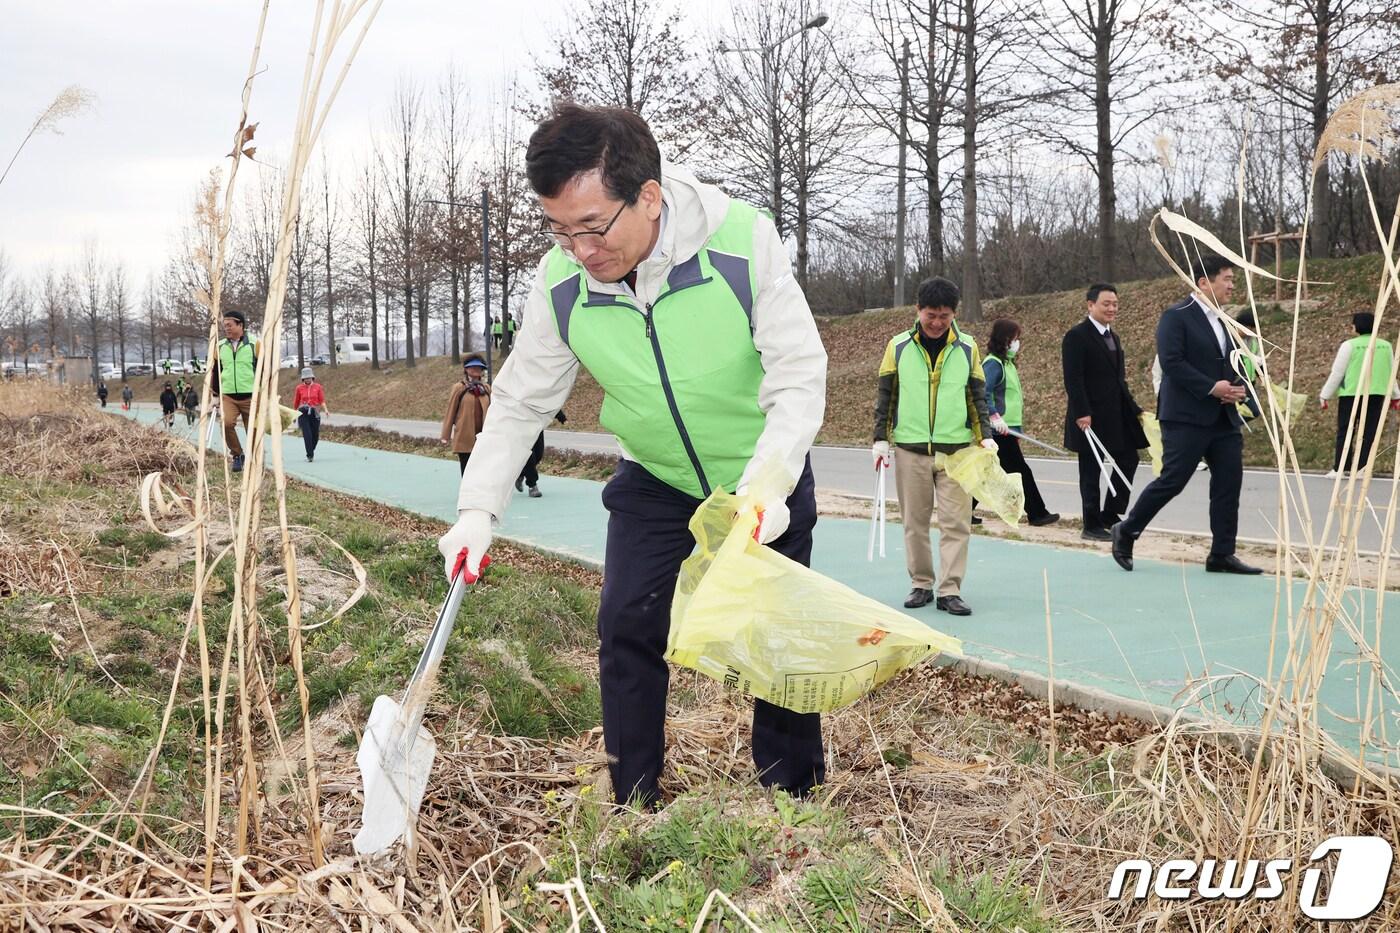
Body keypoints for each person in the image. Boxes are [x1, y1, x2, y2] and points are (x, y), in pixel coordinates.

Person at [438, 104, 828, 808]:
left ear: (648, 197)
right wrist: (476, 510)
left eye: (591, 227)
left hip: (759, 472)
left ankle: (791, 797)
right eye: (558, 229)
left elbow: (799, 375)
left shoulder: (743, 241)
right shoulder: (561, 282)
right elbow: (523, 399)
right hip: (654, 475)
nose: (579, 249)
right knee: (625, 623)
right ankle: (634, 795)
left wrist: (769, 485)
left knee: (777, 635)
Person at [1112, 256, 1261, 575]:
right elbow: (1172, 362)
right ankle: (1127, 531)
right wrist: (1212, 388)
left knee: (1228, 481)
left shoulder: (1224, 319)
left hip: (1223, 418)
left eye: (1233, 279)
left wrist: (1236, 387)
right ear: (1204, 282)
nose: (1232, 285)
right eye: (1226, 278)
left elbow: (1227, 362)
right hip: (1185, 416)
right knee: (1173, 480)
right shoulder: (1176, 316)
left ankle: (1222, 553)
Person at [872, 276, 997, 615]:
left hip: (956, 450)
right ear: (918, 310)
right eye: (931, 315)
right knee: (915, 520)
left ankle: (950, 589)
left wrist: (984, 433)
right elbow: (887, 395)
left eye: (945, 316)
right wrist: (880, 439)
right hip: (910, 448)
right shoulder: (897, 346)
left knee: (957, 523)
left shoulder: (968, 347)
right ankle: (921, 584)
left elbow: (977, 396)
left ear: (954, 314)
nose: (938, 323)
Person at [1061, 283, 1149, 541]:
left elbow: (1118, 380)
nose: (1112, 309)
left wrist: (1135, 409)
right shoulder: (1077, 336)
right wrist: (1082, 412)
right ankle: (1091, 524)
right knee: (1091, 470)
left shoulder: (1114, 337)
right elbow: (1073, 379)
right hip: (1089, 416)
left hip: (1116, 415)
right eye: (1106, 304)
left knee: (1129, 459)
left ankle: (1110, 513)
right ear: (1090, 305)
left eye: (1115, 304)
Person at [980, 319, 1059, 527]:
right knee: (1021, 471)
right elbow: (982, 392)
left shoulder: (1007, 364)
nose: (1017, 343)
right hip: (998, 430)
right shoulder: (993, 364)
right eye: (1014, 339)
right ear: (1004, 339)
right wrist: (994, 416)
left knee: (987, 472)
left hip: (1009, 428)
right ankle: (1037, 513)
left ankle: (961, 511)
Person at [1319, 312, 1400, 475]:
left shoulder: (1349, 345)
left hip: (1351, 394)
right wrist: (1396, 396)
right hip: (1377, 394)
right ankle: (1362, 468)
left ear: (1356, 327)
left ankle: (1340, 467)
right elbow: (1392, 372)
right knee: (1369, 433)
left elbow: (1337, 373)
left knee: (1346, 430)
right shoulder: (1386, 346)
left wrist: (1325, 395)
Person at [210, 309, 260, 472]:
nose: (227, 329)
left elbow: (265, 369)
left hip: (251, 396)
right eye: (225, 326)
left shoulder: (255, 344)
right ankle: (237, 454)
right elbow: (216, 372)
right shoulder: (220, 346)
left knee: (252, 430)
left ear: (241, 325)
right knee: (226, 423)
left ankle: (255, 459)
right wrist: (215, 395)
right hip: (229, 396)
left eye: (230, 325)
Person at [440, 356, 492, 474]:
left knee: (482, 467)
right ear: (466, 369)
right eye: (472, 367)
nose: (476, 369)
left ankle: (479, 491)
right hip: (465, 435)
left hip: (483, 436)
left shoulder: (487, 388)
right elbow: (450, 411)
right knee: (467, 467)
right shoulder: (459, 388)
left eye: (479, 367)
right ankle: (467, 491)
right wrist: (445, 436)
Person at [516, 411, 568, 497]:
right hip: (522, 425)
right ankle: (532, 486)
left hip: (537, 425)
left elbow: (548, 403)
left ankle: (521, 474)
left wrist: (561, 417)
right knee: (529, 457)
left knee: (538, 455)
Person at [293, 367, 327, 461]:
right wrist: (294, 415)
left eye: (309, 378)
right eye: (306, 378)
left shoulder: (318, 387)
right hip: (303, 412)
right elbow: (296, 402)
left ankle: (311, 450)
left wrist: (326, 410)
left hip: (314, 412)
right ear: (303, 379)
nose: (308, 379)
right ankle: (310, 455)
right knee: (307, 434)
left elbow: (322, 400)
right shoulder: (299, 388)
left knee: (315, 435)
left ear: (312, 377)